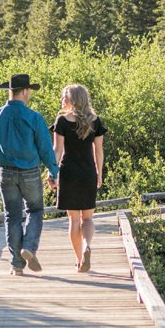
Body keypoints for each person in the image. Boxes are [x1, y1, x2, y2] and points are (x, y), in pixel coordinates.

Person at [0, 74, 60, 276]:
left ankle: (17, 265)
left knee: (12, 216)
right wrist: (54, 171)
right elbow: (45, 149)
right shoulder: (33, 117)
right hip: (30, 173)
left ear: (10, 91)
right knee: (35, 210)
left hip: (5, 172)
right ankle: (29, 248)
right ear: (24, 91)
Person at [51, 84, 106, 272]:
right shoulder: (95, 121)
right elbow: (98, 151)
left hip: (69, 173)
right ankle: (87, 246)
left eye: (63, 97)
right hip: (88, 172)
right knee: (88, 219)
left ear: (71, 100)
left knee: (74, 220)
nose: (61, 101)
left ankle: (80, 260)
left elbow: (57, 151)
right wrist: (99, 173)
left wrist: (52, 173)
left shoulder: (62, 121)